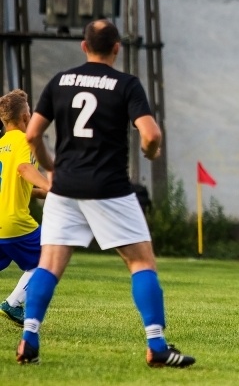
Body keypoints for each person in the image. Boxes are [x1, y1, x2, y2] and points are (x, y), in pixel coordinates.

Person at [19, 19, 195, 367]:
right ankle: (157, 346)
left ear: (84, 46)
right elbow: (151, 134)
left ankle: (29, 338)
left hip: (65, 188)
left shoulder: (60, 81)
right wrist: (149, 151)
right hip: (108, 188)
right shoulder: (126, 84)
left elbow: (32, 134)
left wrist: (51, 166)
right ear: (117, 48)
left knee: (49, 264)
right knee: (141, 262)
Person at [0, 90, 50, 327]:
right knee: (48, 258)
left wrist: (44, 192)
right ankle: (13, 303)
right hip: (14, 222)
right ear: (25, 117)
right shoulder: (24, 141)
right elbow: (24, 169)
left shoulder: (1, 144)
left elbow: (13, 186)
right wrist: (50, 185)